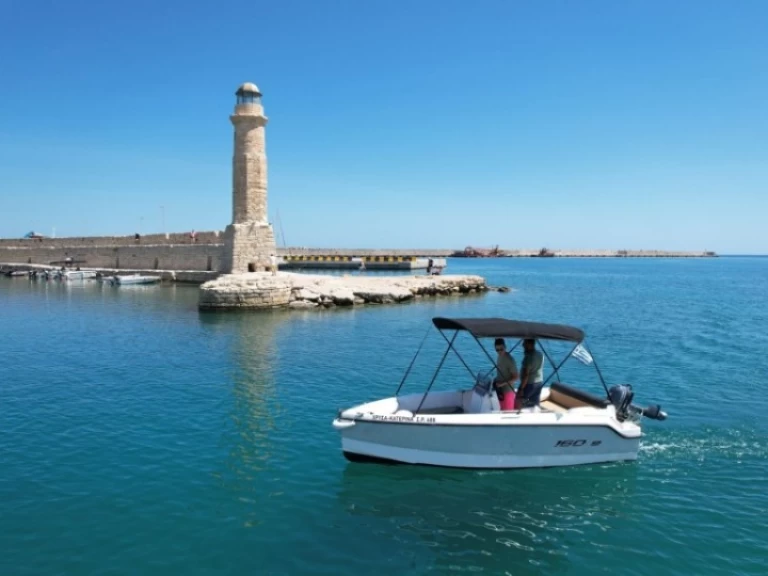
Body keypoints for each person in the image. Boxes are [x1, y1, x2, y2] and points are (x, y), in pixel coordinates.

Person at [517, 338, 544, 408]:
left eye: (524, 343)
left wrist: (521, 389)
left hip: (529, 384)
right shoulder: (540, 354)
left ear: (529, 344)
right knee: (535, 404)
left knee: (519, 400)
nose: (522, 345)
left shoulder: (528, 357)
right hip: (539, 383)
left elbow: (526, 375)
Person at [492, 338, 518, 410]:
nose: (499, 351)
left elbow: (516, 377)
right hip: (500, 391)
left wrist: (502, 384)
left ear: (505, 347)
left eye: (501, 349)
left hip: (508, 392)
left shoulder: (510, 360)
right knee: (501, 411)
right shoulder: (499, 357)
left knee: (507, 415)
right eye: (497, 350)